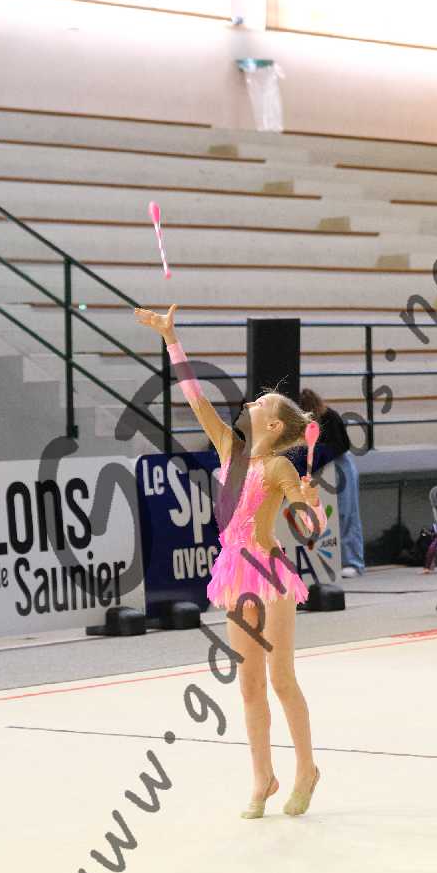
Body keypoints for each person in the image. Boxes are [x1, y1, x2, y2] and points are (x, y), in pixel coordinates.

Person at [135, 304, 325, 819]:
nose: (251, 401)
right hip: (237, 573)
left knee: (281, 677)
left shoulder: (280, 465)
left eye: (260, 401)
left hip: (270, 573)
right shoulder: (230, 450)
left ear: (274, 422)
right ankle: (263, 777)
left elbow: (308, 528)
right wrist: (171, 339)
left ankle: (306, 768)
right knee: (249, 683)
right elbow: (195, 399)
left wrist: (311, 506)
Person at [299, 388, 365, 577]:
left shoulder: (330, 417)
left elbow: (341, 445)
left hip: (340, 465)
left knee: (347, 513)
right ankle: (324, 560)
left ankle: (353, 561)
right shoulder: (299, 423)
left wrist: (317, 456)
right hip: (318, 468)